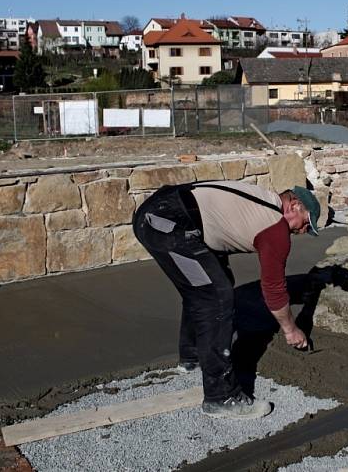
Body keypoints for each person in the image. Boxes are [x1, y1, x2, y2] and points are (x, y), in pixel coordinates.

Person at [132, 180, 320, 420]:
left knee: (206, 286)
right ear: (293, 205)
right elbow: (273, 288)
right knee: (217, 297)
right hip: (168, 222)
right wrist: (290, 329)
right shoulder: (276, 227)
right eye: (305, 224)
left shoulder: (260, 202)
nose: (302, 231)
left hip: (159, 213)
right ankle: (221, 397)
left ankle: (192, 358)